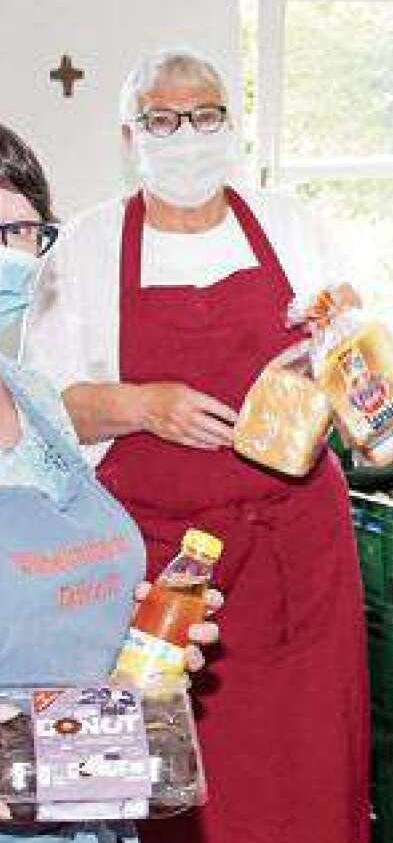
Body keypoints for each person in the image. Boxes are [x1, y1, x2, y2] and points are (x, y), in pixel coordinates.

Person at [22, 49, 369, 843]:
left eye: (206, 115)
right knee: (178, 783)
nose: (187, 135)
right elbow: (43, 413)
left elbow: (354, 367)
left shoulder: (289, 225)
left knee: (312, 765)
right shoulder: (84, 246)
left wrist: (335, 353)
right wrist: (141, 406)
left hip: (296, 554)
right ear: (129, 135)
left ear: (229, 125)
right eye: (163, 119)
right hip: (166, 571)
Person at [0, 124, 217, 843]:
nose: (6, 254)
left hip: (85, 808)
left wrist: (136, 643)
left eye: (20, 231)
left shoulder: (32, 394)